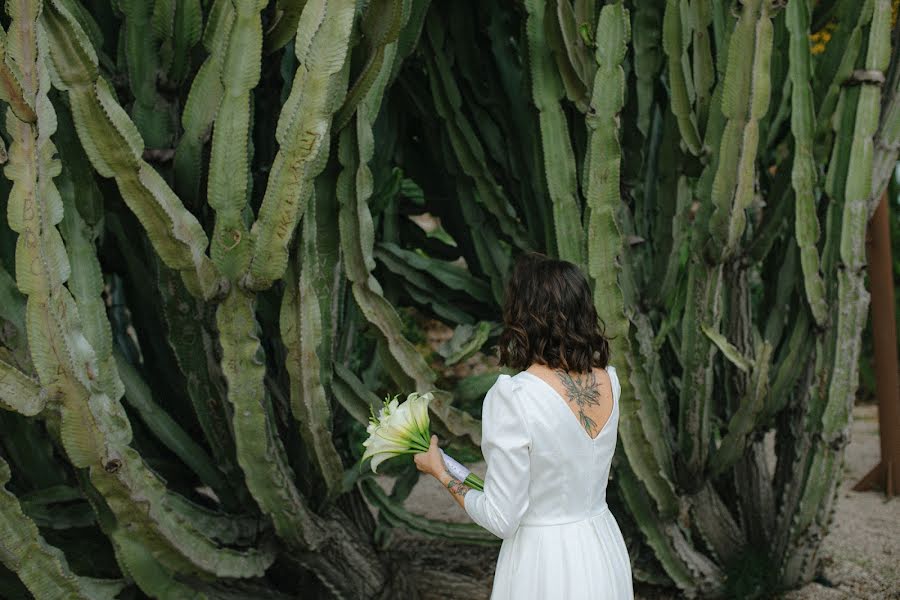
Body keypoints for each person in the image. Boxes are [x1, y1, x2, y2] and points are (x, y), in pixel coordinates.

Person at [414, 252, 635, 599]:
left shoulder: (514, 398)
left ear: (522, 317)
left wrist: (441, 472)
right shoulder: (610, 380)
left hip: (544, 563)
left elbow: (502, 518)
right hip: (602, 548)